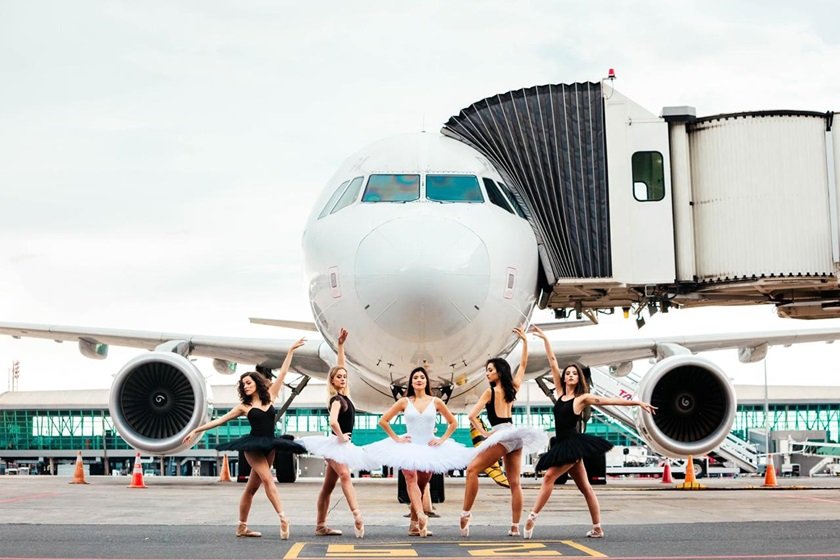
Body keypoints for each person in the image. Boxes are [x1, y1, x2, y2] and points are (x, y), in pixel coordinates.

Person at [523, 326, 656, 539]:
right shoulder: (559, 393)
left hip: (573, 445)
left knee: (549, 477)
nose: (570, 375)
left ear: (579, 378)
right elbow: (553, 362)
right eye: (568, 373)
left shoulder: (581, 399)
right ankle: (597, 527)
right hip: (562, 444)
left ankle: (532, 517)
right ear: (564, 378)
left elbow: (607, 401)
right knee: (586, 488)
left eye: (575, 373)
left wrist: (637, 402)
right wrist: (546, 339)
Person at [182, 338, 307, 541]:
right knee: (268, 479)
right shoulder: (243, 407)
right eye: (243, 384)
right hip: (253, 446)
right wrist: (196, 430)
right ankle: (283, 518)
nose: (245, 386)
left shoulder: (271, 396)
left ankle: (242, 527)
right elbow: (219, 421)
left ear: (257, 383)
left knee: (250, 489)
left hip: (270, 445)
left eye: (248, 382)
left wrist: (290, 350)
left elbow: (283, 373)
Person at [459, 327, 549, 537]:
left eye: (490, 369)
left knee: (472, 470)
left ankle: (465, 513)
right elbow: (523, 365)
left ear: (498, 371)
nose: (487, 373)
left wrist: (485, 433)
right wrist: (525, 342)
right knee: (515, 482)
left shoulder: (489, 392)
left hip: (500, 434)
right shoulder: (513, 387)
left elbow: (471, 416)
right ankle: (515, 527)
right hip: (515, 434)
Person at [365, 366, 475, 538]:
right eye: (415, 377)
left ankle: (413, 525)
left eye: (422, 377)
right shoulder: (404, 402)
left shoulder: (436, 402)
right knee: (411, 480)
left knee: (422, 486)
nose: (418, 379)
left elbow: (453, 423)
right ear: (411, 382)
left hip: (429, 448)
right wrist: (396, 439)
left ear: (426, 381)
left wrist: (442, 439)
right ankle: (422, 516)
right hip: (408, 446)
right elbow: (383, 421)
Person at [299, 328, 371, 538]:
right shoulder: (336, 400)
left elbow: (341, 366)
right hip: (335, 444)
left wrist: (340, 346)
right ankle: (357, 516)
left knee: (328, 486)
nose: (342, 378)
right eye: (338, 377)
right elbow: (332, 420)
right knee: (345, 476)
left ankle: (321, 525)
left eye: (344, 377)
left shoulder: (346, 395)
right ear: (332, 381)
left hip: (341, 444)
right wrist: (340, 436)